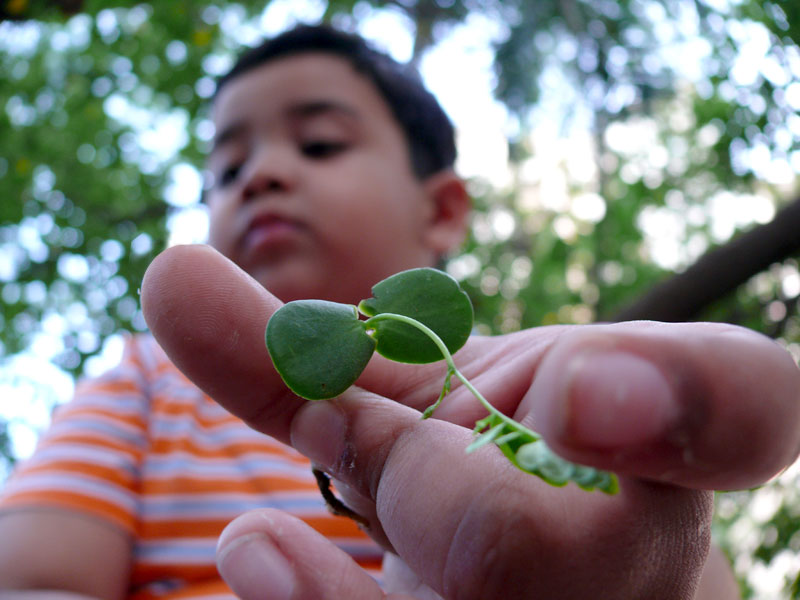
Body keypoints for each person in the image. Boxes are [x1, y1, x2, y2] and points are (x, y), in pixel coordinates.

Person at [1, 23, 798, 600]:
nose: (261, 175)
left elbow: (686, 577)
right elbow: (30, 579)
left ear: (442, 210)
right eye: (227, 168)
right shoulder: (147, 382)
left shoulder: (512, 399)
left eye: (319, 144)